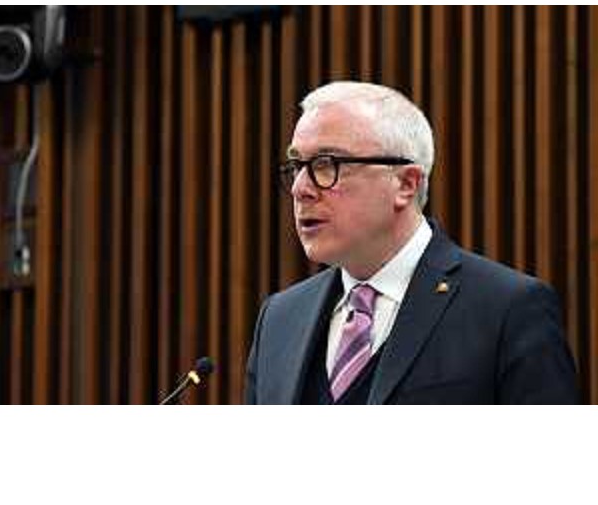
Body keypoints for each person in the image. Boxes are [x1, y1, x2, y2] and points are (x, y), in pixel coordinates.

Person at [244, 81, 578, 404]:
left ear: (406, 184)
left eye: (326, 164)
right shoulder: (279, 318)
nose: (300, 188)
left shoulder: (507, 309)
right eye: (297, 166)